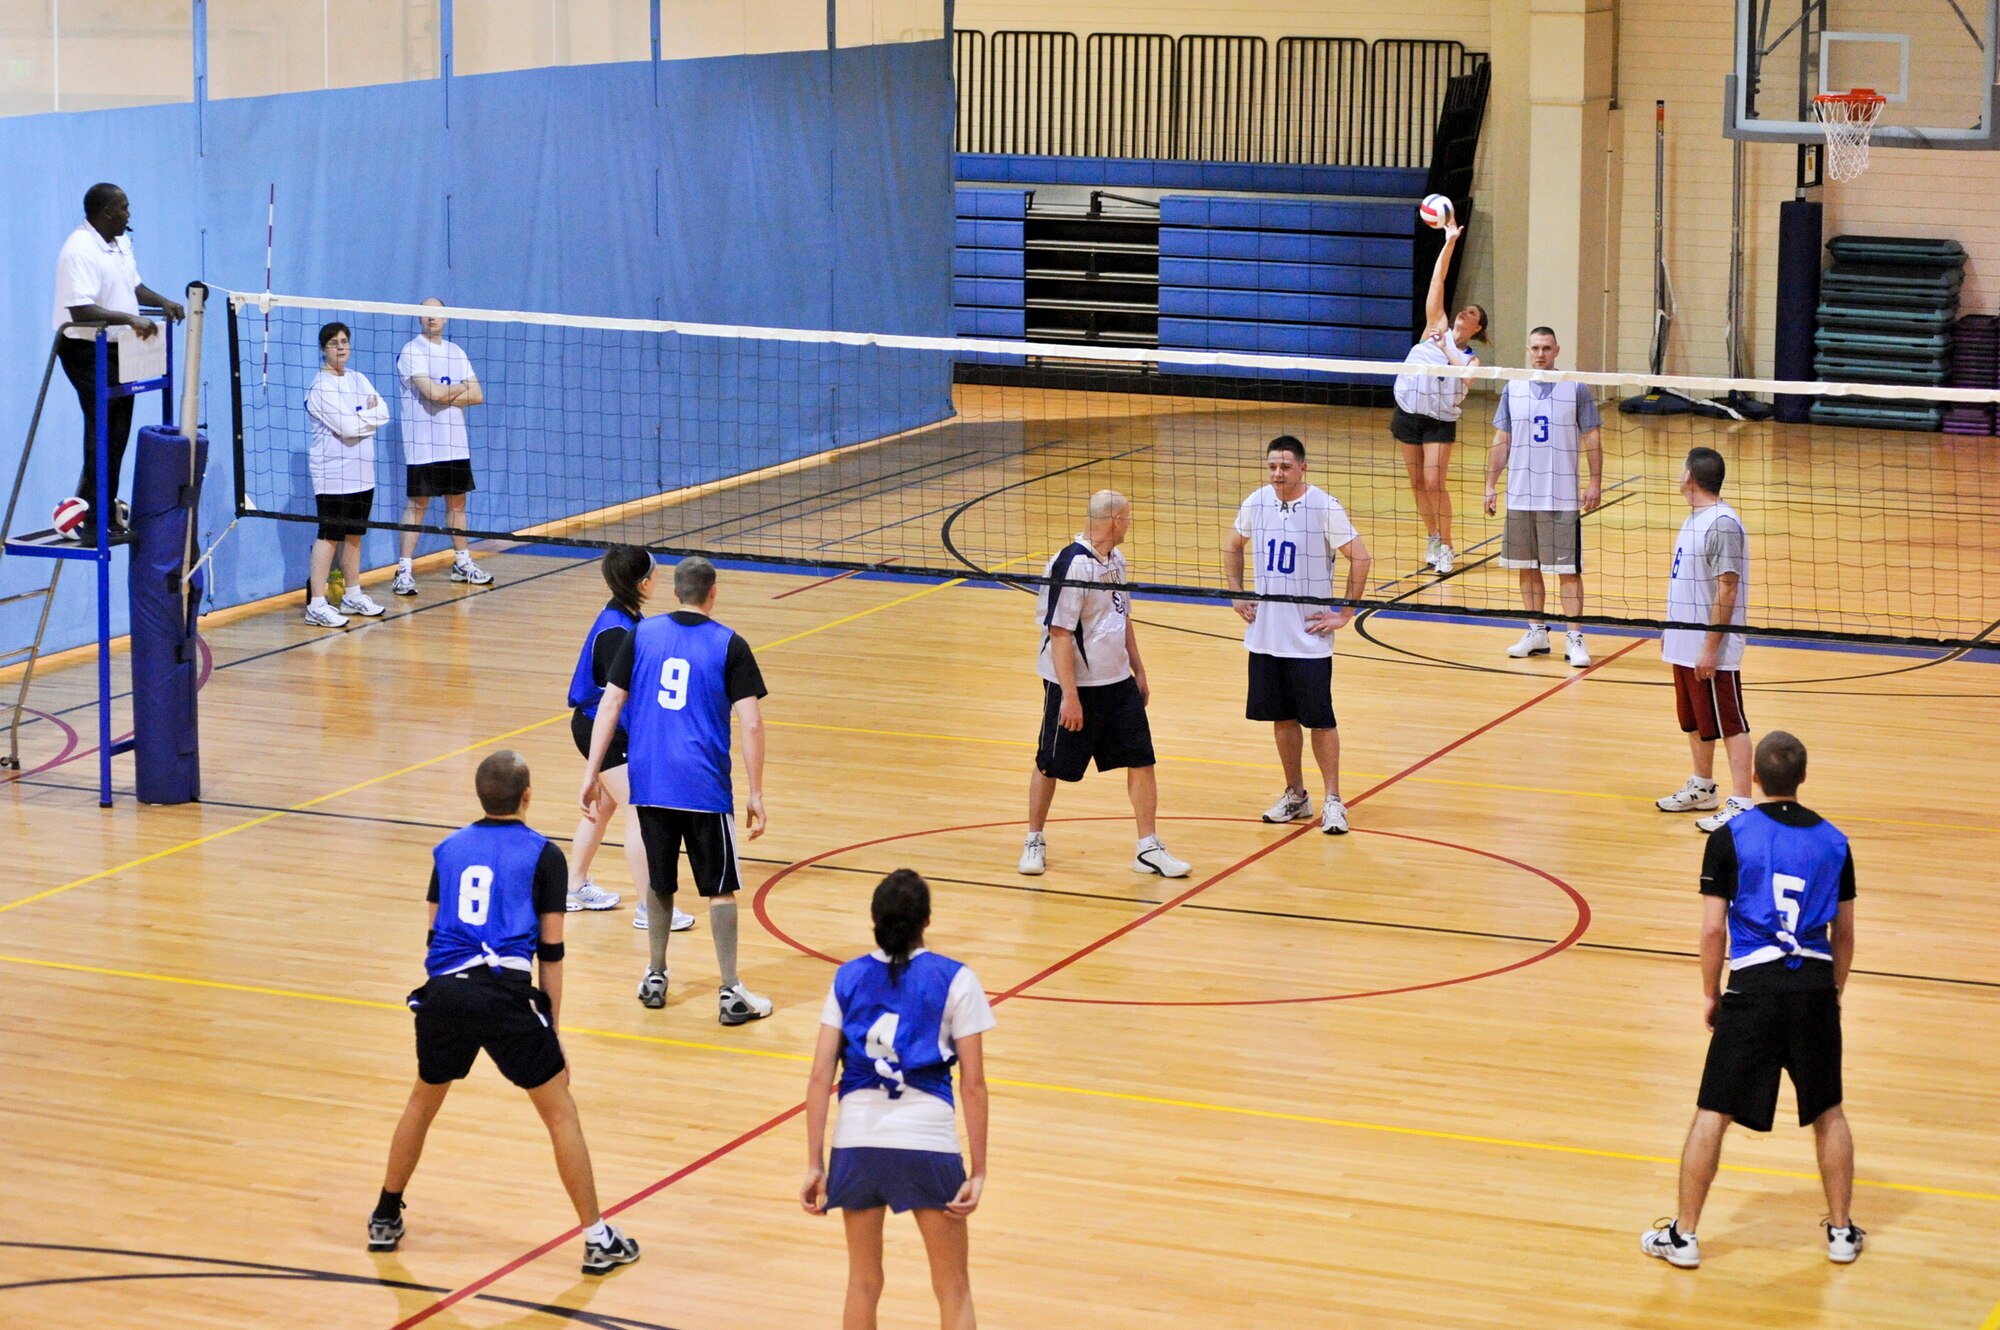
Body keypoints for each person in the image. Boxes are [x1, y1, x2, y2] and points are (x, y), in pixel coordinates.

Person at [368, 750, 641, 1276]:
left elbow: (433, 933)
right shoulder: (544, 854)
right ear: (527, 794)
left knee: (423, 1101)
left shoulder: (446, 850)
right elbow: (552, 952)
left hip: (444, 992)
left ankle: (384, 1213)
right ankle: (597, 1238)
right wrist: (554, 1033)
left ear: (480, 794)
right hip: (503, 993)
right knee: (560, 1110)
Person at [1641, 730, 1862, 1270]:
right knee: (1827, 1110)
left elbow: (1713, 930)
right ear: (1803, 778)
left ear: (1756, 777)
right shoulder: (1835, 842)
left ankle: (1685, 1236)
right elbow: (1846, 934)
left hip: (1754, 990)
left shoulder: (1732, 836)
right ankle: (1839, 1232)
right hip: (1812, 990)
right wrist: (1831, 992)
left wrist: (1711, 992)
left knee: (1712, 1113)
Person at [580, 556, 773, 1025]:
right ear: (713, 593)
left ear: (676, 592)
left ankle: (656, 975)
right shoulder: (730, 643)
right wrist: (756, 792)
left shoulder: (641, 635)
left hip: (650, 783)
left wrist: (590, 772)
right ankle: (730, 991)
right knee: (721, 890)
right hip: (703, 785)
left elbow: (609, 703)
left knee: (660, 885)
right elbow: (750, 724)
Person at [801, 869, 991, 1330]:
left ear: (874, 920)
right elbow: (973, 1084)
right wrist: (980, 1170)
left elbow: (821, 1072)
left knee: (862, 1283)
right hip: (928, 1142)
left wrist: (815, 1163)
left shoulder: (847, 977)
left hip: (857, 1141)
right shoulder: (957, 978)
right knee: (953, 1288)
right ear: (926, 920)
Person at [1018, 490, 1191, 880]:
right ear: (1114, 521)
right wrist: (1070, 697)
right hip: (1076, 687)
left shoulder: (1116, 560)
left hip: (1117, 683)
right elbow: (1060, 633)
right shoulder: (1071, 565)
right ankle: (1034, 839)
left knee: (1142, 759)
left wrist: (1138, 668)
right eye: (1127, 518)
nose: (1130, 524)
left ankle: (1148, 846)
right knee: (1050, 763)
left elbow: (1122, 615)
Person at [1222, 436, 1373, 834]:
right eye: (1272, 466)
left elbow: (1361, 557)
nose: (1277, 473)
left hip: (1308, 638)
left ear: (1302, 468)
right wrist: (1237, 595)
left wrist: (1345, 613)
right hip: (1266, 635)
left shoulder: (1324, 506)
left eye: (1285, 467)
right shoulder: (1256, 501)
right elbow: (1233, 546)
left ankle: (1334, 800)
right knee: (1282, 719)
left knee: (1320, 721)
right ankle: (1296, 795)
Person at [562, 545, 693, 932]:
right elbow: (618, 701)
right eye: (655, 573)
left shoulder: (625, 616)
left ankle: (573, 887)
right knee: (641, 811)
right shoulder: (618, 632)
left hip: (602, 727)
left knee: (603, 807)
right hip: (601, 728)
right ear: (644, 582)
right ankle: (649, 907)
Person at [52, 182, 184, 543]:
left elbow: (134, 287)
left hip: (117, 347)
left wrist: (163, 301)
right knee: (104, 425)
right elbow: (80, 309)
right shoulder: (77, 250)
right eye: (124, 208)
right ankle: (93, 519)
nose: (129, 214)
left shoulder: (121, 242)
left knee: (119, 429)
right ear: (106, 212)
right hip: (83, 348)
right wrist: (130, 320)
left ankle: (96, 505)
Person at [1483, 326, 1605, 668]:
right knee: (1526, 567)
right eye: (1535, 347)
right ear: (1527, 349)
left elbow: (1592, 437)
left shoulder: (1576, 387)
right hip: (1521, 495)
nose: (1540, 354)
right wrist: (1491, 484)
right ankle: (1536, 632)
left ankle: (1574, 637)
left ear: (1557, 350)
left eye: (1547, 348)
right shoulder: (1513, 387)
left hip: (1562, 496)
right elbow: (1501, 440)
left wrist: (1595, 481)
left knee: (1567, 570)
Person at [1656, 447, 1753, 833]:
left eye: (1682, 468)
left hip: (1709, 648)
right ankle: (1703, 786)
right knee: (1695, 720)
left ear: (1691, 478)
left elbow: (1727, 590)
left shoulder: (1722, 524)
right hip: (1684, 642)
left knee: (1730, 723)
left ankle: (1742, 802)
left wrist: (1710, 648)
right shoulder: (1695, 519)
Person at [1390, 213, 1485, 576]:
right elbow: (1438, 278)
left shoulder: (1471, 359)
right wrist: (1449, 242)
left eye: (1472, 313)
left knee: (1434, 482)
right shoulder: (1435, 324)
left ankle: (1447, 545)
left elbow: (1464, 375)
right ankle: (1432, 537)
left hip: (1439, 422)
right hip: (1408, 413)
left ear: (1477, 328)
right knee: (1416, 482)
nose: (1464, 311)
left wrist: (1446, 349)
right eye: (1464, 308)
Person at [393, 298, 492, 595]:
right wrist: (460, 388)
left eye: (436, 313)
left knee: (457, 504)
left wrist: (450, 392)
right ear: (420, 318)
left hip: (455, 445)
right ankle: (404, 570)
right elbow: (432, 393)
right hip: (424, 445)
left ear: (446, 318)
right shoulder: (412, 351)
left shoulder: (456, 352)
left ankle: (462, 563)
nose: (431, 318)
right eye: (425, 313)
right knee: (418, 505)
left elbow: (478, 395)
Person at [303, 322, 389, 628]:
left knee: (354, 535)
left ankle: (352, 594)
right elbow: (348, 428)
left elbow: (385, 412)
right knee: (330, 535)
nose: (340, 347)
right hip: (333, 475)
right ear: (322, 349)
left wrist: (361, 417)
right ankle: (316, 604)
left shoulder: (358, 378)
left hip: (363, 474)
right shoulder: (320, 387)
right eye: (333, 343)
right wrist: (366, 417)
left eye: (344, 341)